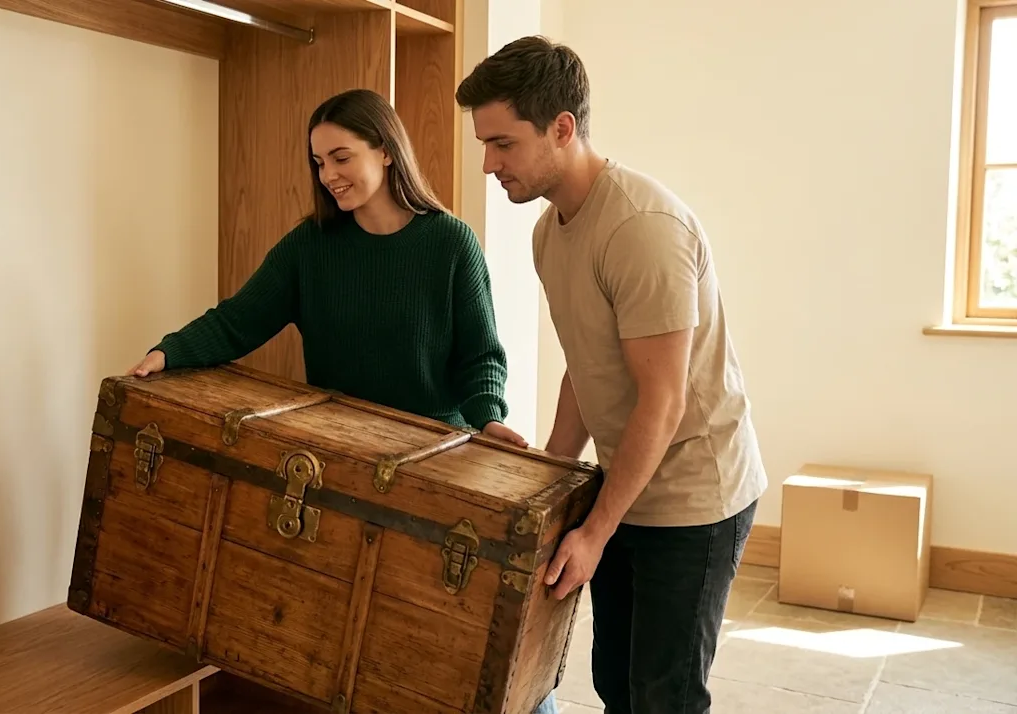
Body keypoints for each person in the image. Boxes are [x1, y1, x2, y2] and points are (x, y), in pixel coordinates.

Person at [456, 37, 767, 714]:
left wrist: (594, 532)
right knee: (616, 686)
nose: (488, 164)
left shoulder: (641, 227)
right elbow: (585, 363)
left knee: (666, 697)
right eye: (485, 144)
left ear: (562, 128)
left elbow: (664, 400)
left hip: (694, 495)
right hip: (623, 484)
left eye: (503, 143)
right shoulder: (549, 234)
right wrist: (552, 478)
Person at [128, 88, 527, 446]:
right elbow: (238, 320)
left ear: (386, 151)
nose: (328, 176)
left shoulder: (452, 243)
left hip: (431, 451)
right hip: (335, 446)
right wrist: (169, 351)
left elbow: (480, 357)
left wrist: (488, 417)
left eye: (341, 158)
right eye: (319, 162)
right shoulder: (308, 246)